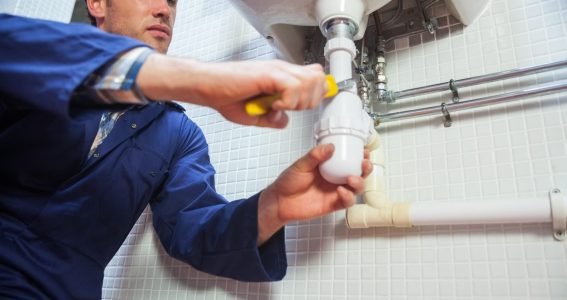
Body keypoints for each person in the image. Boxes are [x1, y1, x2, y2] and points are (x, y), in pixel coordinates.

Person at [0, 0, 371, 298]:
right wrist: (194, 80)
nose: (165, 9)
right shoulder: (38, 60)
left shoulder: (178, 133)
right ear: (97, 3)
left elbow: (192, 229)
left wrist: (273, 207)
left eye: (174, 1)